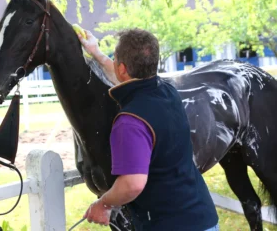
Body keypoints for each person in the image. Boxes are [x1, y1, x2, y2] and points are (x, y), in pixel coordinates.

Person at [77, 28, 219, 230]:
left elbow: (132, 184)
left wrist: (103, 203)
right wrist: (97, 53)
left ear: (123, 68)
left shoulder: (130, 121)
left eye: (115, 59)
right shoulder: (167, 90)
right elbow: (127, 78)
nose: (114, 63)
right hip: (204, 219)